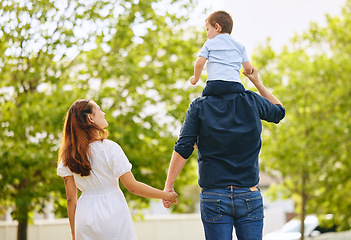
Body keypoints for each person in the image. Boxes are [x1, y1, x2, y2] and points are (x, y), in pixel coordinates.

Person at [163, 68, 285, 240]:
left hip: (214, 196)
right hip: (248, 194)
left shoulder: (199, 106)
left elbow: (183, 146)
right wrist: (257, 82)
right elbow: (278, 112)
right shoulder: (252, 100)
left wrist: (169, 185)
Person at [57, 99, 178, 240]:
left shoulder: (68, 157)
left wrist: (74, 234)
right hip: (112, 212)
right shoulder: (110, 148)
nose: (103, 113)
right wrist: (166, 195)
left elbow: (71, 199)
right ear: (90, 117)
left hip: (85, 216)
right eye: (99, 110)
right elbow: (132, 187)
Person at [189, 10, 253, 97]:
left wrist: (195, 78)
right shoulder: (240, 46)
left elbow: (199, 63)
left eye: (208, 30)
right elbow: (248, 68)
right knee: (241, 97)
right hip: (234, 85)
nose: (207, 35)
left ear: (217, 27)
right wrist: (247, 71)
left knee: (204, 101)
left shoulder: (209, 43)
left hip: (215, 84)